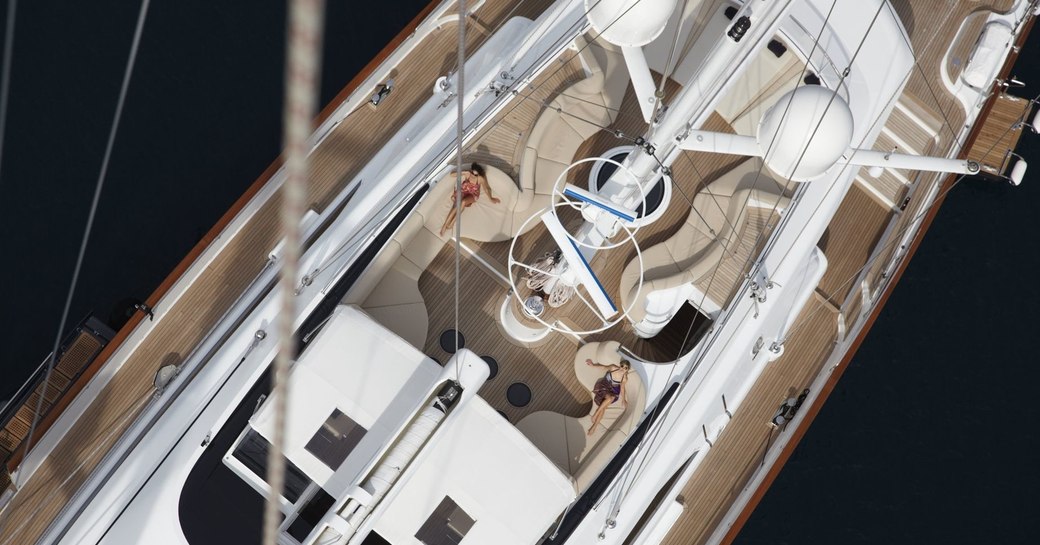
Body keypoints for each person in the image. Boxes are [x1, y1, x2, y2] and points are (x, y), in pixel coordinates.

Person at [438, 163, 500, 236]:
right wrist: (463, 172)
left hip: (473, 194)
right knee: (457, 204)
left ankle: (452, 223)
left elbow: (487, 189)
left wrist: (491, 198)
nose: (473, 175)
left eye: (475, 175)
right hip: (463, 190)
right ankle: (445, 225)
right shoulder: (467, 174)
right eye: (472, 173)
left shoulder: (480, 179)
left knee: (463, 202)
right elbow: (452, 175)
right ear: (471, 170)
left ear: (478, 174)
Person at [585, 358, 630, 436]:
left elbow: (622, 388)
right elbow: (603, 367)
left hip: (613, 390)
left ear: (627, 370)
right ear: (620, 365)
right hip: (604, 386)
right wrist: (593, 365)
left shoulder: (624, 378)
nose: (623, 368)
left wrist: (624, 399)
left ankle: (594, 424)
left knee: (607, 402)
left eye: (625, 368)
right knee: (607, 402)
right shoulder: (613, 368)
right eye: (622, 366)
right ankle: (594, 423)